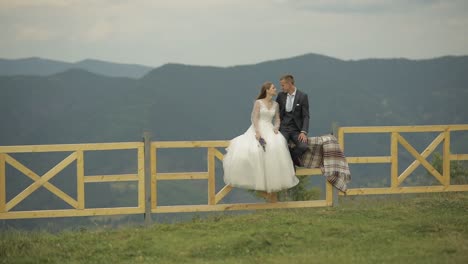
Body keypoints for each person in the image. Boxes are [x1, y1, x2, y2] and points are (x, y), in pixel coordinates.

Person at [223, 82, 299, 193]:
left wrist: (277, 127)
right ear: (267, 90)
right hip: (258, 128)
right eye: (273, 88)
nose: (275, 89)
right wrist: (257, 131)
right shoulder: (258, 103)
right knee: (254, 150)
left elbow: (277, 118)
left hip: (270, 128)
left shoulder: (276, 104)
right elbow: (254, 117)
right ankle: (255, 177)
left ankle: (272, 179)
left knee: (275, 149)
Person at [276, 74, 310, 167]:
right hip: (284, 128)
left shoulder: (303, 96)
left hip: (296, 130)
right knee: (280, 145)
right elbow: (277, 112)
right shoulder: (280, 96)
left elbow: (306, 116)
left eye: (283, 85)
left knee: (303, 146)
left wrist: (303, 132)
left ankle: (291, 158)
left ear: (289, 84)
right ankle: (291, 166)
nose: (281, 87)